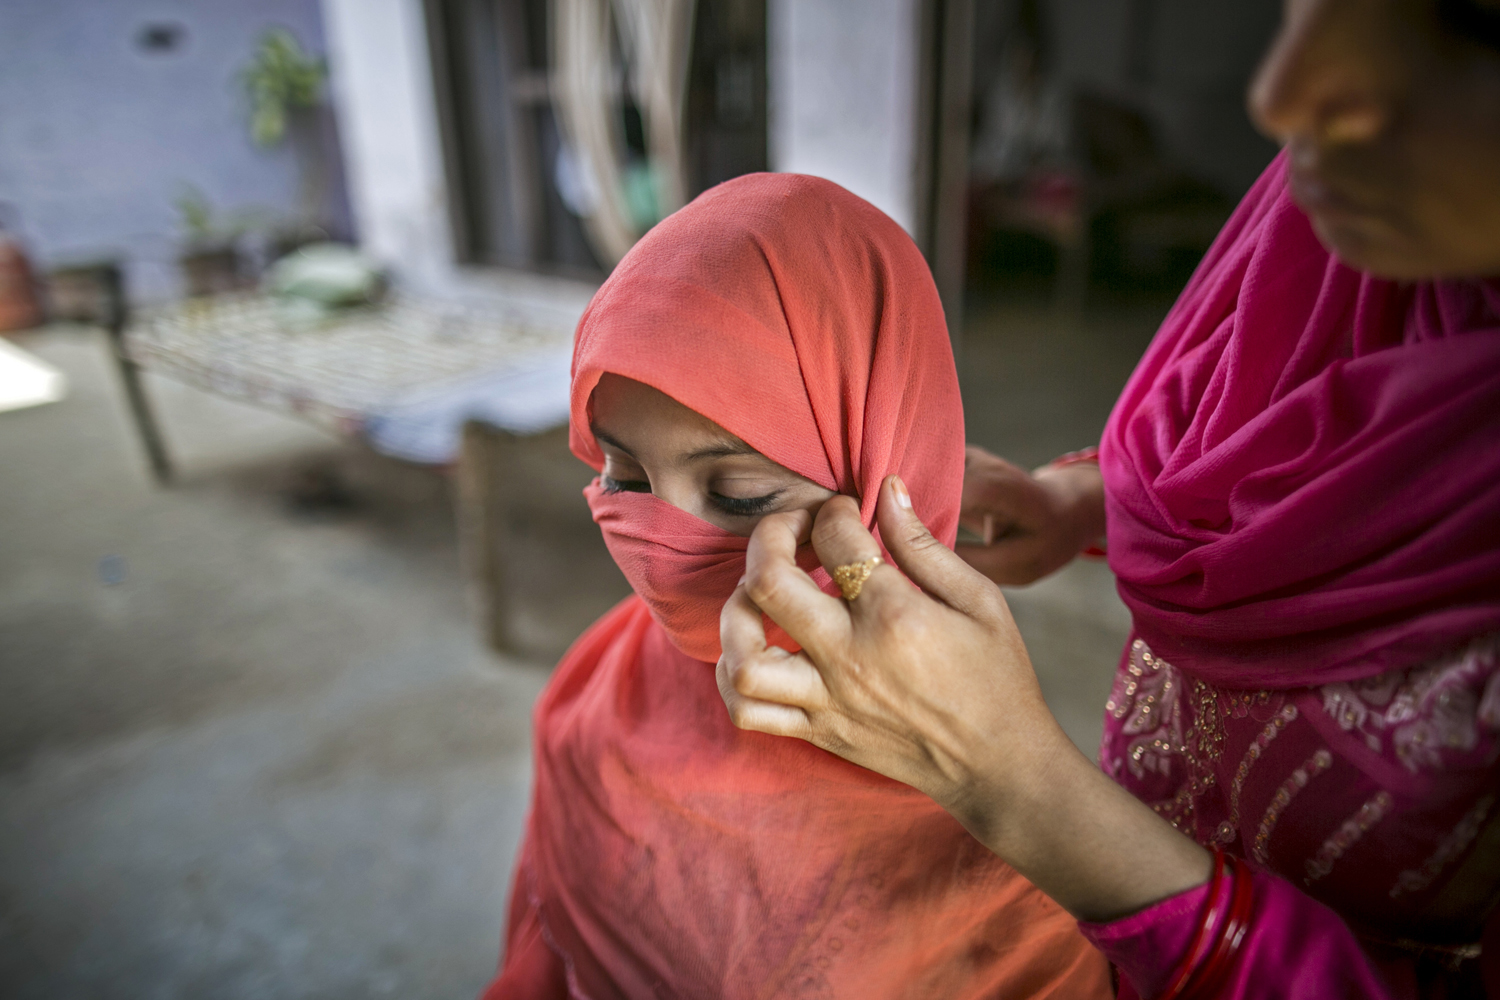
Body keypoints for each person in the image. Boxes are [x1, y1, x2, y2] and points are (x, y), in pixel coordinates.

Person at [717, 0, 1500, 997]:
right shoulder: (1317, 251)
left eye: (1475, 24)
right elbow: (1294, 451)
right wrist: (1086, 502)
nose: (1278, 98)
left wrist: (1009, 783)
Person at [483, 173, 1113, 998]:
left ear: (888, 454)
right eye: (624, 475)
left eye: (739, 495)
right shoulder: (606, 690)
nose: (666, 548)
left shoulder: (999, 835)